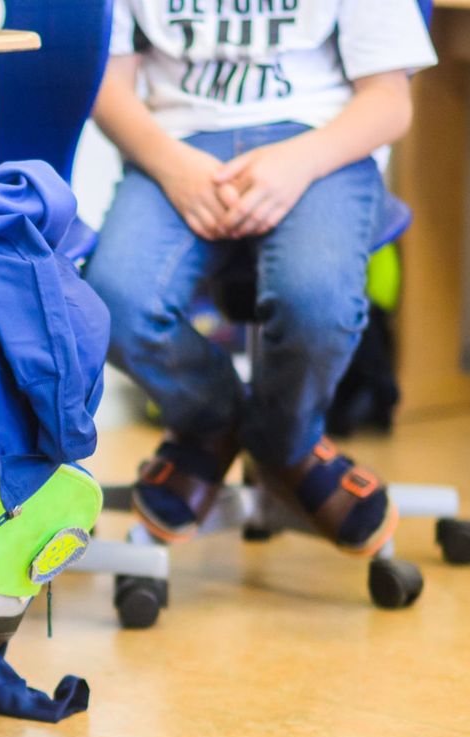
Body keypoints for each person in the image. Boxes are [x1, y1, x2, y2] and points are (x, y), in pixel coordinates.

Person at [84, 1, 436, 553]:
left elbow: (389, 103)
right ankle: (217, 423)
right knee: (111, 304)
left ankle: (283, 445)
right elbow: (107, 84)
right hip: (178, 143)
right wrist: (172, 167)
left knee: (315, 303)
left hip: (320, 141)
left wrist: (300, 161)